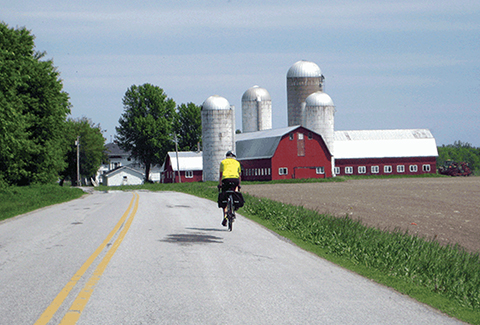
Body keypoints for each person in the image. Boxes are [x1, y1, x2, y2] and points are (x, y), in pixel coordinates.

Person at [218, 151, 241, 226]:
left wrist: (220, 184)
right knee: (235, 192)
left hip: (226, 180)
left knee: (224, 196)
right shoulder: (237, 163)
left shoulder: (223, 162)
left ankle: (225, 216)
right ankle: (234, 208)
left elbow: (221, 175)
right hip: (235, 180)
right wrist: (239, 185)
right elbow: (239, 175)